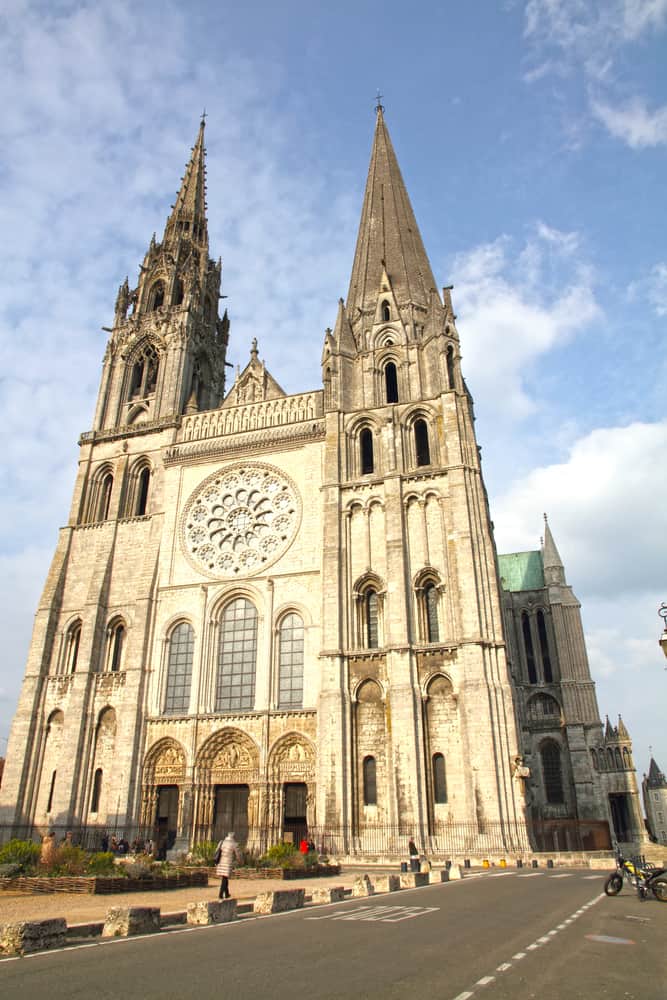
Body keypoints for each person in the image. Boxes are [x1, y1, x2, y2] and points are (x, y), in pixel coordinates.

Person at [215, 832, 242, 900]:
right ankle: (220, 894)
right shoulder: (234, 844)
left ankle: (226, 893)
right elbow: (238, 854)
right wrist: (240, 861)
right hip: (228, 862)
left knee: (225, 877)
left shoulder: (222, 842)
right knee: (225, 878)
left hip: (221, 862)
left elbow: (217, 850)